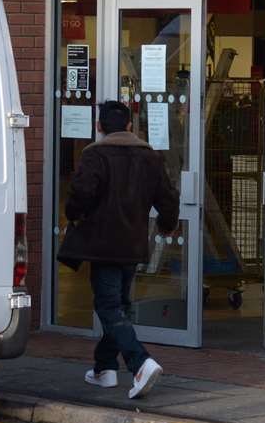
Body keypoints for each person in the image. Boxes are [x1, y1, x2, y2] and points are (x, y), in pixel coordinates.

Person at [60, 101, 179, 399]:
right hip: (133, 243)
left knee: (108, 306)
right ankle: (104, 369)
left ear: (99, 126)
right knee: (119, 306)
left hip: (103, 244)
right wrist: (167, 224)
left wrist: (73, 215)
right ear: (129, 126)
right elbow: (167, 196)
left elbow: (80, 194)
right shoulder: (150, 157)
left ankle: (140, 363)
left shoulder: (95, 154)